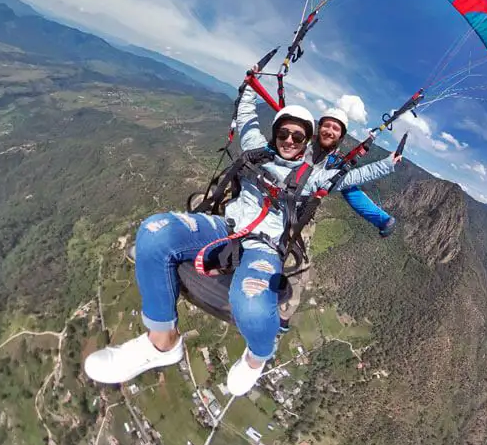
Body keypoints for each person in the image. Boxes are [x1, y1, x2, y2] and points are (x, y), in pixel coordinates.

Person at [83, 79, 400, 396]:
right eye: (283, 134)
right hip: (229, 225)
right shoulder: (259, 149)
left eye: (297, 136)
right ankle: (161, 342)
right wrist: (251, 82)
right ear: (279, 134)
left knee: (259, 298)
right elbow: (247, 114)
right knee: (154, 232)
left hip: (269, 241)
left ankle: (257, 357)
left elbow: (353, 181)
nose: (289, 140)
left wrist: (388, 170)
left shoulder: (322, 171)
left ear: (310, 140)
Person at [308, 107, 397, 238]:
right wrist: (385, 165)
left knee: (347, 185)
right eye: (326, 125)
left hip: (306, 201)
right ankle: (382, 219)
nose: (329, 131)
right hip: (301, 194)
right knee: (345, 182)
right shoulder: (301, 142)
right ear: (319, 127)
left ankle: (382, 219)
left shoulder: (333, 155)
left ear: (341, 136)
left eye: (335, 128)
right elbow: (347, 179)